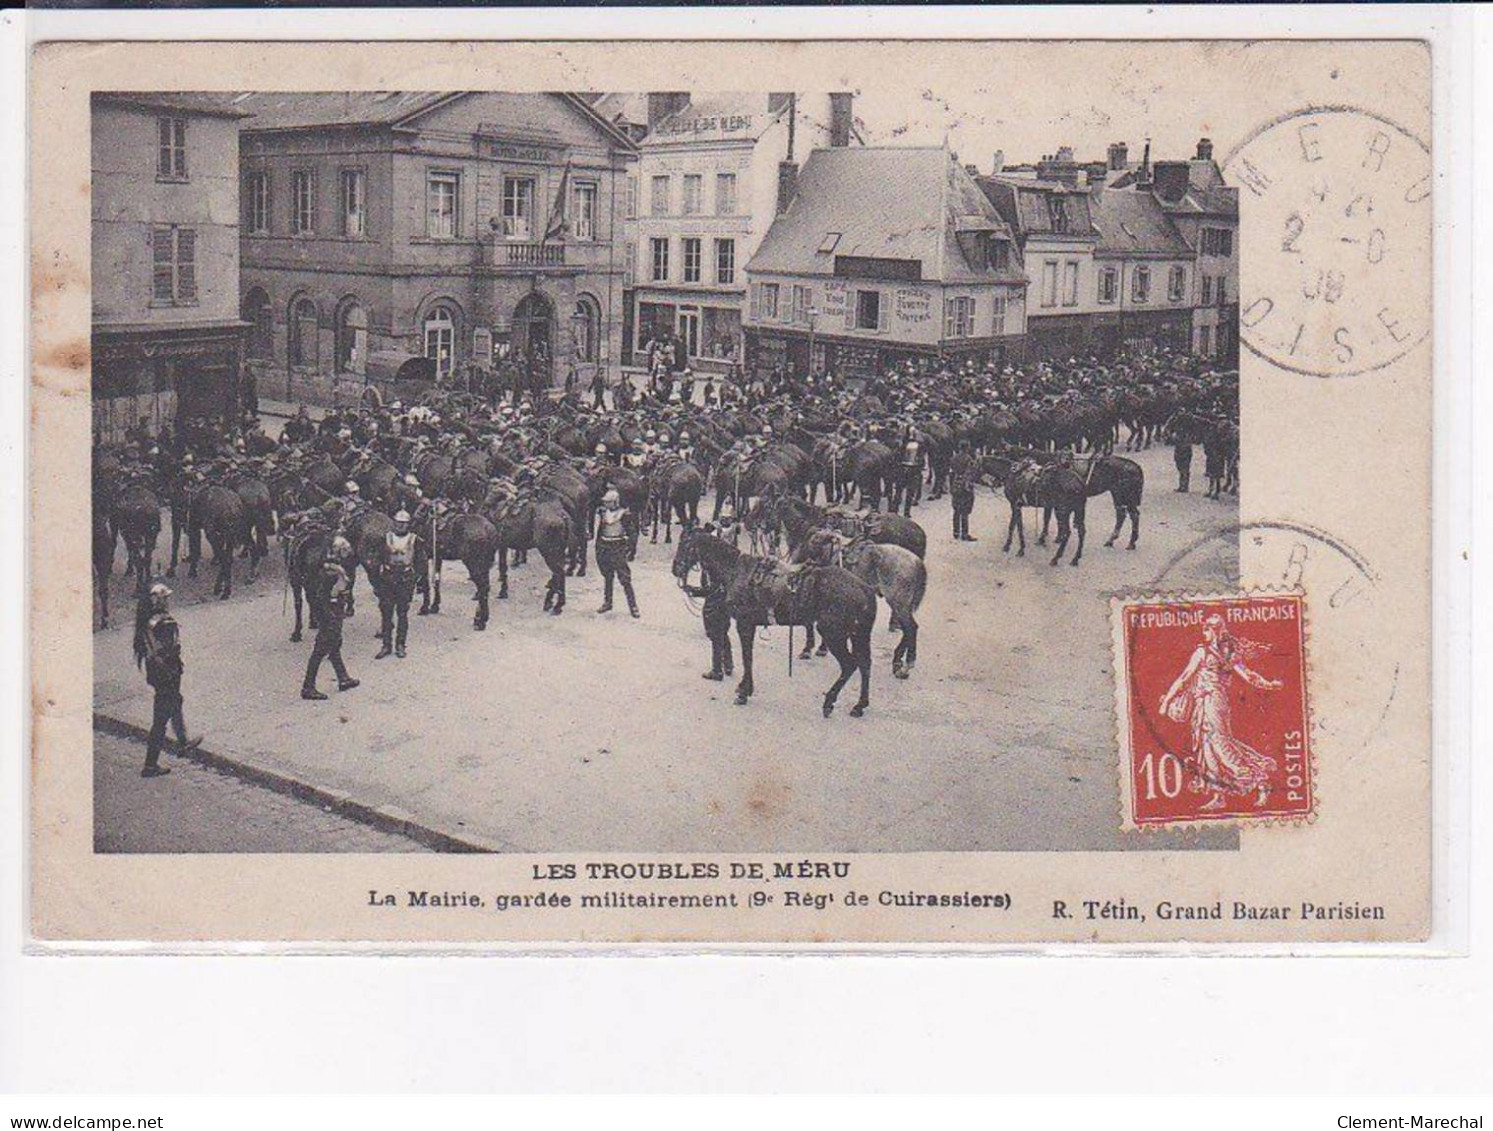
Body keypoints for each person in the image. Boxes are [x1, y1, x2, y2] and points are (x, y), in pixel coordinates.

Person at [132, 582, 201, 777]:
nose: (168, 601)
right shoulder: (164, 622)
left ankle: (182, 741)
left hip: (157, 673)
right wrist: (173, 669)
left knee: (175, 702)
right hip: (167, 672)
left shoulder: (148, 621)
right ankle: (150, 764)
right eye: (165, 598)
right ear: (159, 600)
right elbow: (169, 650)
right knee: (161, 719)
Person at [302, 538, 360, 700]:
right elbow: (322, 596)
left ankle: (343, 678)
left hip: (333, 610)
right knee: (321, 648)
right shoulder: (330, 572)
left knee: (334, 644)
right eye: (344, 551)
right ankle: (308, 686)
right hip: (330, 611)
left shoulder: (332, 567)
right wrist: (330, 616)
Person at [684, 524, 735, 681]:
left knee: (715, 634)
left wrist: (694, 591)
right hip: (723, 600)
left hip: (715, 602)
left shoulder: (710, 563)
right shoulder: (717, 559)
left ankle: (717, 670)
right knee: (722, 632)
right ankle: (728, 663)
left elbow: (712, 588)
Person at [376, 511, 420, 660]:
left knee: (402, 613)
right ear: (394, 523)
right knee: (386, 613)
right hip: (388, 577)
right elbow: (378, 558)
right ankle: (386, 645)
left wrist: (414, 579)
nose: (401, 526)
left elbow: (421, 562)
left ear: (408, 524)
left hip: (405, 578)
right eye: (398, 523)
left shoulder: (414, 539)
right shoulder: (386, 538)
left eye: (404, 523)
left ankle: (400, 644)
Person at [593, 487, 639, 617]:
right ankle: (608, 602)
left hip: (618, 546)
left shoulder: (624, 514)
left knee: (625, 579)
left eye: (609, 502)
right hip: (605, 545)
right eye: (605, 502)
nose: (606, 504)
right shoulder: (602, 513)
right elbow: (599, 531)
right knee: (607, 576)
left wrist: (630, 548)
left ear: (615, 502)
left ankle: (633, 606)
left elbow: (632, 533)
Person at [949, 440, 978, 541]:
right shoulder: (969, 459)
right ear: (967, 448)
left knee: (956, 510)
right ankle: (964, 534)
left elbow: (951, 473)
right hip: (965, 487)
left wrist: (951, 486)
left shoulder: (953, 458)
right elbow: (971, 473)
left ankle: (955, 532)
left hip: (955, 485)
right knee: (965, 511)